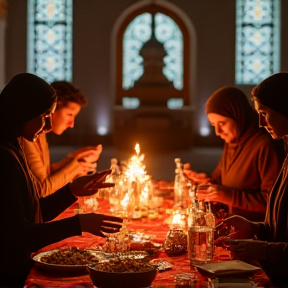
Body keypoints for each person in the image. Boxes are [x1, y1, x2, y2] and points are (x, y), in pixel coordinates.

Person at [0, 73, 123, 287]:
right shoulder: (3, 157)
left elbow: (34, 213)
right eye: (45, 115)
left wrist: (71, 191)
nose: (48, 126)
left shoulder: (13, 144)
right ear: (26, 112)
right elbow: (20, 236)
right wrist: (79, 223)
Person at [216, 72, 288, 287]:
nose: (261, 122)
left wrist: (264, 249)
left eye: (265, 113)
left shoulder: (267, 146)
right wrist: (257, 228)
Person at [184, 86, 285, 221]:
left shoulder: (265, 146)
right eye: (214, 125)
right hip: (232, 225)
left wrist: (228, 196)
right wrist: (203, 181)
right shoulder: (233, 142)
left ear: (238, 116)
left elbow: (273, 203)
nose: (218, 132)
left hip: (256, 233)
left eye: (222, 123)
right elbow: (221, 181)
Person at [21, 81, 102, 197]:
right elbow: (42, 189)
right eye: (69, 114)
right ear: (53, 108)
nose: (72, 124)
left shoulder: (41, 133)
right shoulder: (27, 135)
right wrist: (76, 167)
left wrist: (75, 158)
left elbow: (46, 173)